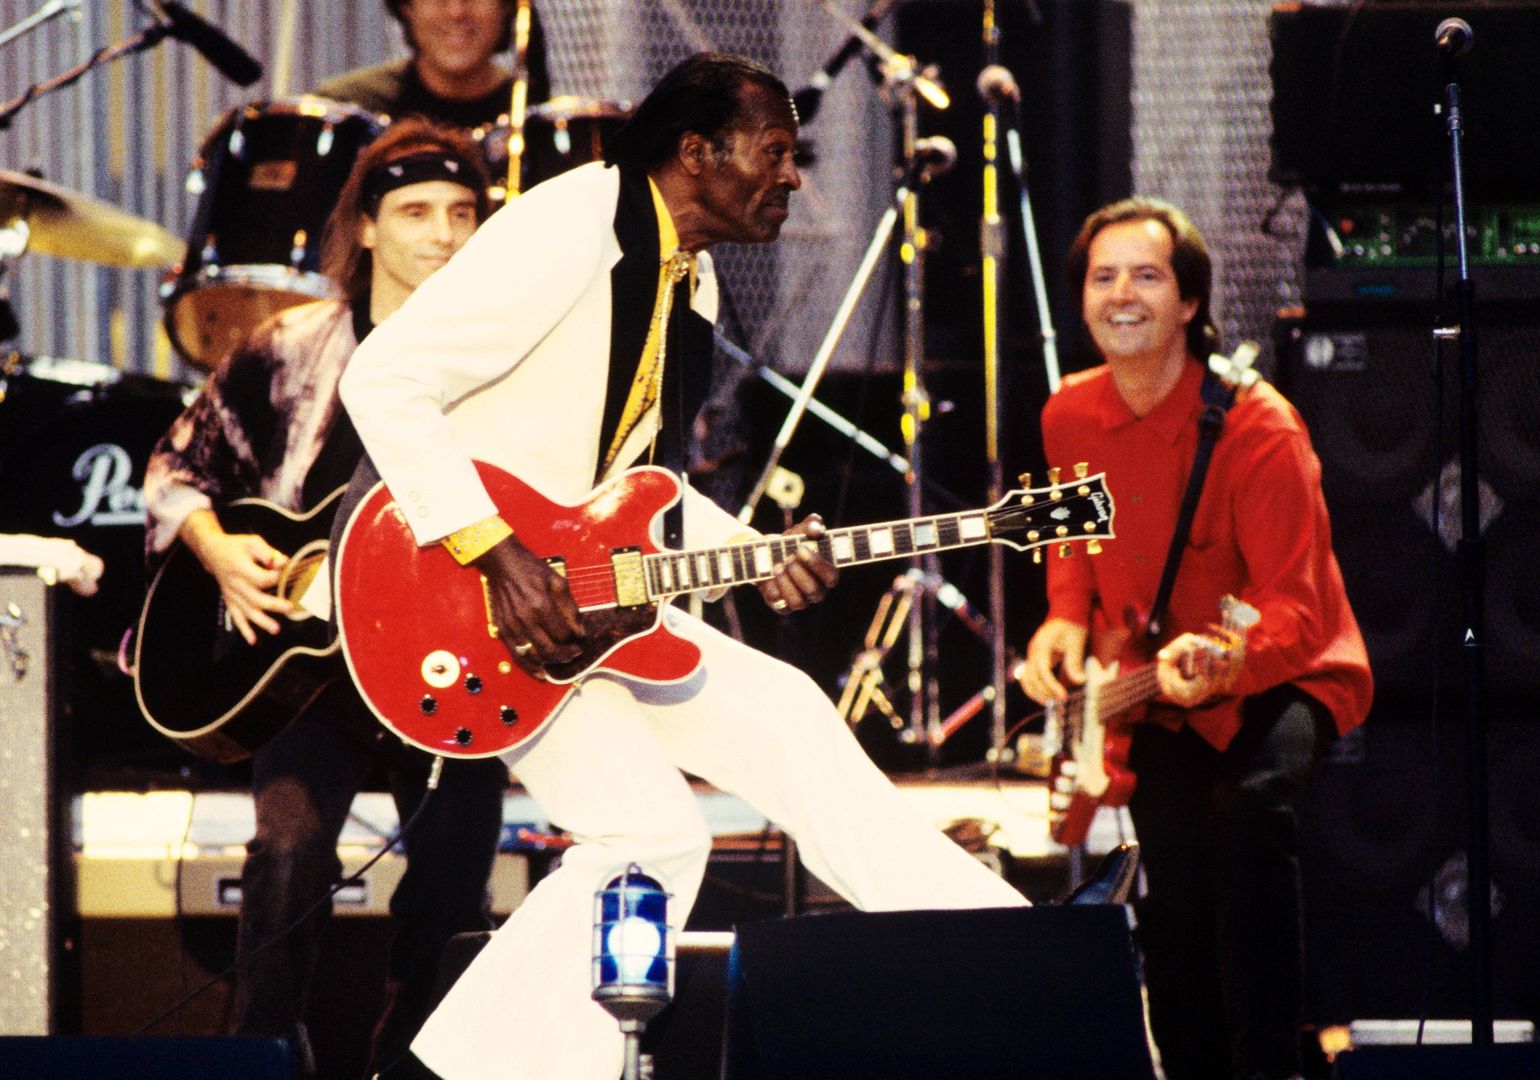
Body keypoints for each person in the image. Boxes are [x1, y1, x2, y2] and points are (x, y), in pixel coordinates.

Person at [336, 53, 1028, 1080]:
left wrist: (755, 557)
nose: (793, 179)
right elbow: (382, 377)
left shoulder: (683, 276)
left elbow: (637, 491)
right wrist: (496, 552)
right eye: (777, 154)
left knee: (753, 751)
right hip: (470, 597)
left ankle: (1017, 964)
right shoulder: (569, 226)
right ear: (695, 153)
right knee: (651, 835)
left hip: (580, 595)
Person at [142, 118, 508, 1078]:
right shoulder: (292, 344)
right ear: (371, 227)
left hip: (442, 660)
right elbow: (177, 470)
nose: (441, 233)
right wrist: (219, 551)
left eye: (463, 213)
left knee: (455, 885)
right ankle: (263, 1058)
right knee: (289, 854)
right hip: (302, 670)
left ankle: (418, 1064)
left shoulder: (504, 364)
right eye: (416, 211)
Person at [1017, 197, 1374, 1080]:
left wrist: (1226, 665)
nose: (1122, 295)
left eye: (1147, 275)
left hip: (1288, 671)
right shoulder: (1067, 415)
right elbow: (1072, 534)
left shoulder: (1259, 426)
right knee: (1170, 872)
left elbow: (1295, 607)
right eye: (1103, 278)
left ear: (1188, 303)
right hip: (1151, 677)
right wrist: (1065, 612)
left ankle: (1276, 1065)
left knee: (1247, 811)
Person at [315, 0, 529, 132]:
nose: (457, 12)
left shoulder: (533, 113)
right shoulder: (345, 109)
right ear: (406, 6)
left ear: (508, 5)